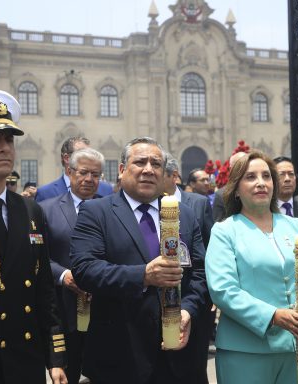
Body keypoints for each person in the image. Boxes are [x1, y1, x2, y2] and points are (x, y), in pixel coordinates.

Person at [70, 137, 207, 384]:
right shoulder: (96, 212)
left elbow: (199, 273)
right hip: (120, 355)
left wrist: (187, 310)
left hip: (179, 357)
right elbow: (85, 269)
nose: (148, 169)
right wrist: (143, 275)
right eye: (140, 162)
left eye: (156, 164)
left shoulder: (183, 215)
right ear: (122, 170)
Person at [0, 89, 67, 384]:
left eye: (8, 139)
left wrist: (55, 357)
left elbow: (44, 289)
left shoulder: (30, 210)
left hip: (24, 365)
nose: (4, 148)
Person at [205, 151, 298, 384]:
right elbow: (223, 290)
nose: (260, 182)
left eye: (266, 176)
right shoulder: (225, 231)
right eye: (250, 177)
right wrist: (273, 315)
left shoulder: (297, 226)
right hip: (245, 351)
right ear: (235, 188)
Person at [40, 148, 105, 384]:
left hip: (104, 310)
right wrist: (64, 275)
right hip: (63, 309)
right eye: (84, 172)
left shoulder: (111, 209)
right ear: (69, 172)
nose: (89, 179)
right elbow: (38, 257)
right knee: (69, 373)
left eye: (96, 175)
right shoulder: (46, 209)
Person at [163, 151, 214, 382]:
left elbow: (207, 250)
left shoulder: (198, 203)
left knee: (194, 367)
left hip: (193, 298)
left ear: (173, 175)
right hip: (160, 298)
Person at [35, 137, 113, 202]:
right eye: (83, 154)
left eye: (90, 153)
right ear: (67, 158)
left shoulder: (106, 190)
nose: (89, 157)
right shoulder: (45, 193)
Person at [212, 151, 247, 222]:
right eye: (240, 165)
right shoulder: (222, 195)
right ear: (231, 168)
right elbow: (219, 224)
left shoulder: (260, 188)